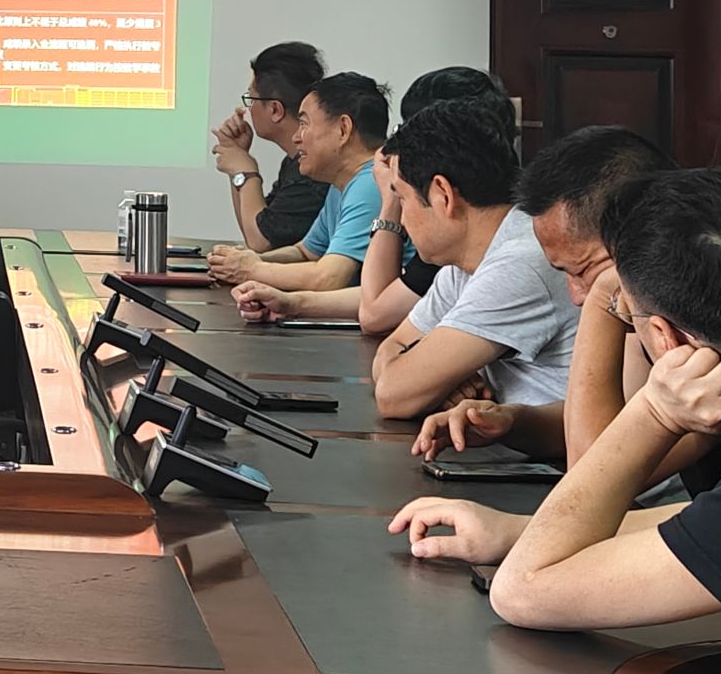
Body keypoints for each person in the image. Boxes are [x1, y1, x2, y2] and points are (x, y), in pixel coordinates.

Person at [394, 171, 721, 673]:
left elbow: (522, 590)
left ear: (667, 339)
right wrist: (516, 530)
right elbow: (719, 522)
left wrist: (656, 412)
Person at [409, 125, 677, 465]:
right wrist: (511, 421)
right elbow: (609, 425)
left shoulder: (700, 332)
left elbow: (595, 462)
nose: (576, 296)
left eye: (583, 270)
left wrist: (601, 298)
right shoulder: (636, 323)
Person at [232, 67, 511, 337]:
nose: (399, 144)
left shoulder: (503, 257)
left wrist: (390, 201)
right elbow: (377, 306)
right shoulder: (452, 262)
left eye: (411, 131)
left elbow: (362, 303)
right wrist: (290, 302)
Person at [368, 100, 578, 419]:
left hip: (553, 449)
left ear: (443, 195)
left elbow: (393, 395)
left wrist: (427, 381)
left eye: (402, 198)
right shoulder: (465, 261)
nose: (404, 219)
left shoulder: (521, 262)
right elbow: (391, 347)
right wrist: (438, 382)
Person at [205, 73, 389, 292]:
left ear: (343, 130)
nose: (296, 137)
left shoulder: (370, 184)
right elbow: (305, 252)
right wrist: (248, 259)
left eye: (304, 124)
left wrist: (251, 269)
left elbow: (329, 277)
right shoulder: (342, 183)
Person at [208, 41, 329, 252]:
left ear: (275, 109)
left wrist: (246, 171)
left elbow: (261, 241)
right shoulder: (292, 162)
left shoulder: (313, 170)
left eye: (251, 99)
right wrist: (238, 164)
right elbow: (254, 231)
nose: (246, 109)